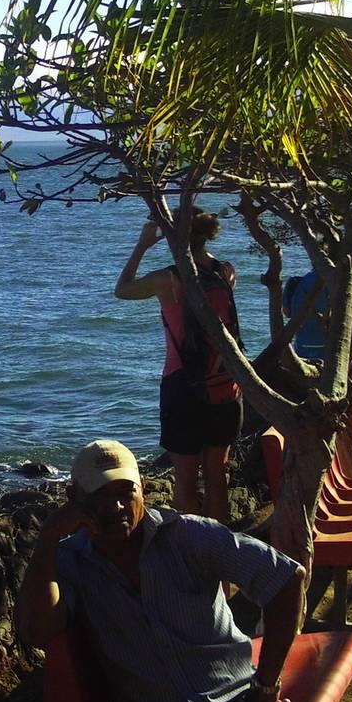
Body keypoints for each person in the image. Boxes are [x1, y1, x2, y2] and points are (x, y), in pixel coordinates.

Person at [16, 439, 306, 702]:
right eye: (100, 496)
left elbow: (286, 579)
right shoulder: (67, 563)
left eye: (127, 492)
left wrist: (266, 684)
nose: (117, 506)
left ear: (144, 490)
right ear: (73, 498)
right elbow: (36, 631)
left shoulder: (189, 536)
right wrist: (46, 541)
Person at [115, 212, 244, 523]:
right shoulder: (225, 273)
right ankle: (221, 557)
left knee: (185, 481)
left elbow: (122, 289)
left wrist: (143, 245)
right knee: (218, 477)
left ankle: (193, 557)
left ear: (175, 239)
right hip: (226, 386)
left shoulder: (167, 279)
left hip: (182, 387)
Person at [280, 270, 327, 363]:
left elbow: (286, 313)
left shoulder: (296, 283)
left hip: (303, 344)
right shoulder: (341, 284)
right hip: (330, 345)